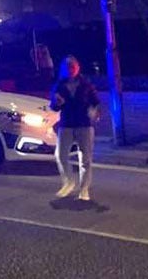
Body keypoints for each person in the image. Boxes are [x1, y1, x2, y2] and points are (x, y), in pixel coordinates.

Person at [50, 55, 101, 201]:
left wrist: (95, 112)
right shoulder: (59, 85)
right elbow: (53, 106)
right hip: (66, 124)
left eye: (72, 66)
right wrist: (57, 102)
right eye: (67, 67)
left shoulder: (86, 84)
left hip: (84, 124)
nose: (70, 69)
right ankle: (68, 182)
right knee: (60, 154)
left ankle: (84, 189)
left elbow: (96, 102)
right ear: (63, 70)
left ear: (77, 67)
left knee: (85, 159)